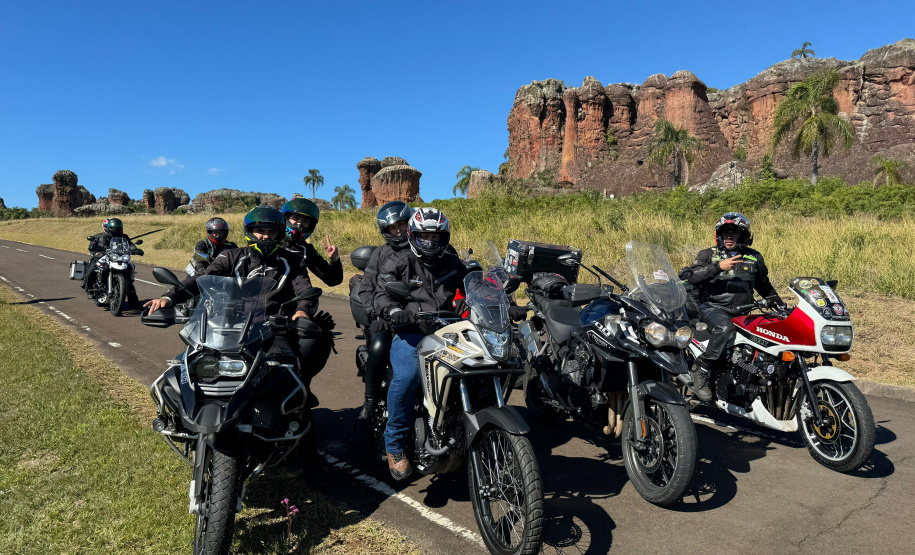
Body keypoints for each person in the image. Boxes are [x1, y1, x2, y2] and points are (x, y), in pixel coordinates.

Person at [144, 206, 335, 467]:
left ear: (279, 233)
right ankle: (184, 419)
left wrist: (301, 312)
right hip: (225, 326)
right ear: (249, 233)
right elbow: (200, 279)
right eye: (259, 231)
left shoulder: (291, 262)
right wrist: (168, 297)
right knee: (189, 366)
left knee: (293, 377)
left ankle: (303, 446)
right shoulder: (231, 256)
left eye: (270, 232)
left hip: (272, 328)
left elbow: (305, 290)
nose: (264, 237)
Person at [372, 207, 468, 480]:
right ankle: (395, 445)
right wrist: (393, 311)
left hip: (449, 331)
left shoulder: (452, 260)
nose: (431, 243)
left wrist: (503, 303)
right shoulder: (399, 260)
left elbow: (475, 285)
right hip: (411, 331)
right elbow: (381, 294)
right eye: (425, 236)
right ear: (414, 236)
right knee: (410, 374)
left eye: (437, 237)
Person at [684, 212, 784, 402]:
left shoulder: (755, 257)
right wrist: (718, 267)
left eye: (734, 233)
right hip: (713, 309)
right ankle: (703, 368)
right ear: (719, 236)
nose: (729, 236)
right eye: (725, 233)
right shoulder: (707, 254)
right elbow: (693, 277)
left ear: (744, 236)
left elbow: (764, 286)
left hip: (744, 312)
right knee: (724, 328)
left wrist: (780, 306)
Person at [352, 200, 413, 426]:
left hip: (422, 312)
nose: (398, 232)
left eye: (402, 225)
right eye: (392, 228)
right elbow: (367, 288)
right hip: (386, 313)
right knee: (379, 346)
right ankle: (370, 400)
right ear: (385, 231)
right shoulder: (381, 253)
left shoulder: (426, 244)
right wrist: (375, 315)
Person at [280, 197, 343, 396]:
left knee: (322, 337)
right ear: (285, 219)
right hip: (262, 305)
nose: (299, 224)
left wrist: (334, 259)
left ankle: (302, 383)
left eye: (305, 221)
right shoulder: (271, 241)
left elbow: (332, 280)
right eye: (295, 218)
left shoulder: (306, 250)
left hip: (296, 307)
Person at [83, 218, 143, 308]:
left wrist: (135, 250)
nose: (116, 230)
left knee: (129, 273)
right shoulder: (104, 236)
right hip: (105, 256)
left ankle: (134, 302)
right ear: (109, 228)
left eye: (118, 228)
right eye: (114, 228)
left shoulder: (124, 237)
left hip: (118, 257)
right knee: (93, 267)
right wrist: (101, 249)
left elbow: (130, 245)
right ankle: (89, 289)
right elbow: (102, 245)